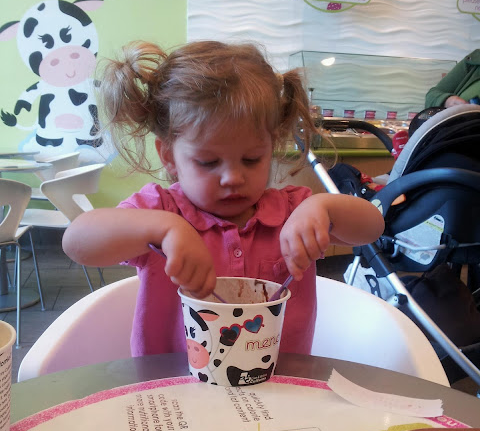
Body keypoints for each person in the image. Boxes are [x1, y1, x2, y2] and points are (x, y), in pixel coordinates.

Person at [63, 40, 384, 357]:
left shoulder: (293, 211)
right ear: (169, 156)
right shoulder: (159, 210)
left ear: (271, 147)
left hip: (279, 383)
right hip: (175, 383)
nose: (233, 177)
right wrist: (165, 229)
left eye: (251, 159)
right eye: (208, 162)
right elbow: (76, 241)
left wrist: (322, 207)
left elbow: (373, 227)